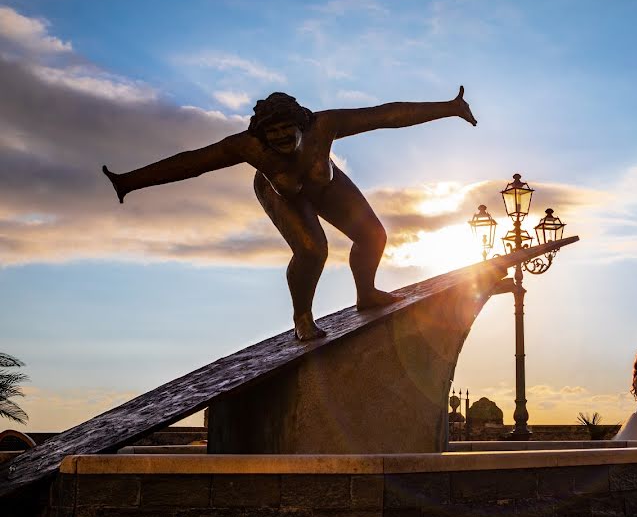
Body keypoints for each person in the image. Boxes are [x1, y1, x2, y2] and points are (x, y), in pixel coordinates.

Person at [101, 87, 477, 341]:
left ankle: (366, 294)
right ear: (261, 137)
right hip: (284, 193)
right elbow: (190, 163)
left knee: (373, 236)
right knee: (313, 250)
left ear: (302, 125)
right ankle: (302, 318)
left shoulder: (325, 126)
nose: (280, 138)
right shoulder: (248, 147)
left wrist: (448, 108)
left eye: (286, 130)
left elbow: (385, 115)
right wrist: (130, 181)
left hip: (326, 183)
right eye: (273, 134)